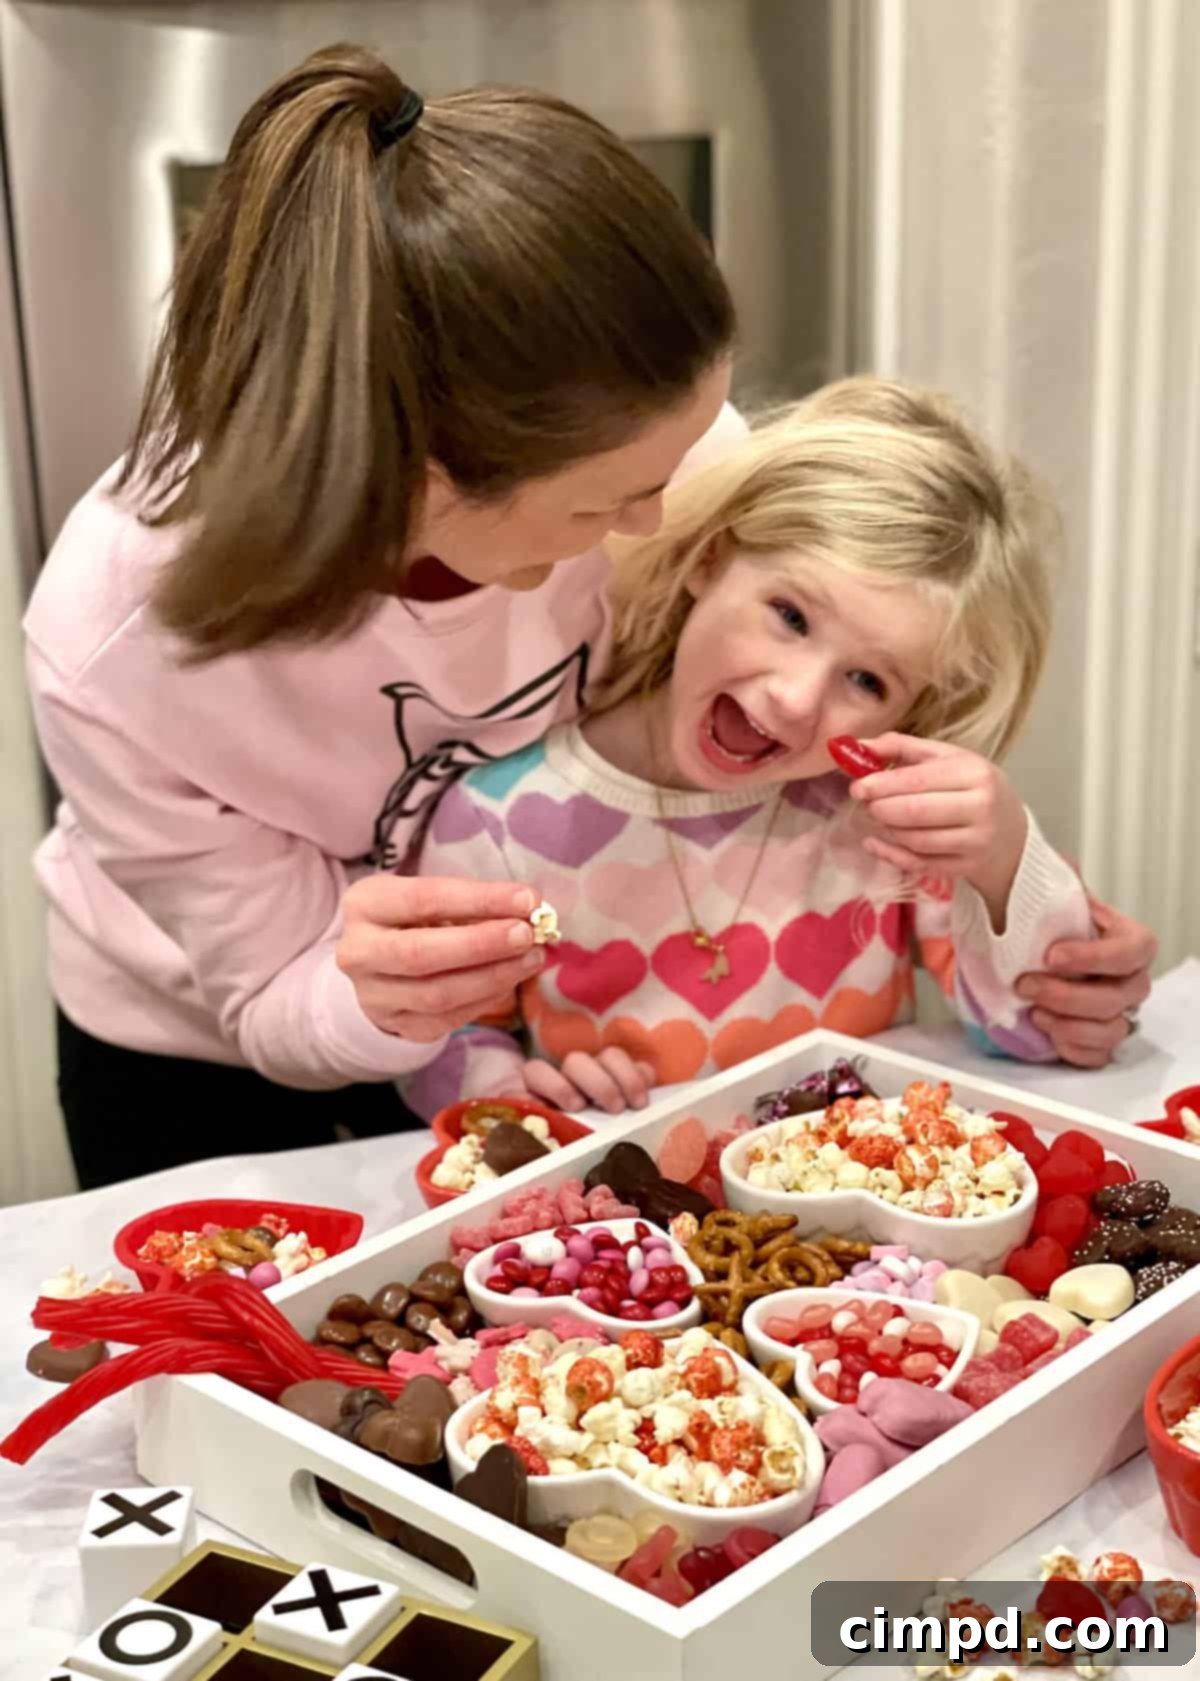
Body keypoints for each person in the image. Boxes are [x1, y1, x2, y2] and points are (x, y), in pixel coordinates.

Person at [23, 50, 1152, 1187]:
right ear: (424, 479)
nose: (664, 519)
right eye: (610, 501)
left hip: (506, 1038)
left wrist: (1046, 914)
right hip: (201, 1055)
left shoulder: (659, 458)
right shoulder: (116, 642)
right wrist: (431, 1036)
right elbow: (276, 992)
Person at [402, 379, 1147, 1119]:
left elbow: (1027, 1034)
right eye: (790, 615)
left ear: (911, 709)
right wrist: (513, 1092)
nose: (796, 697)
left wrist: (1005, 857)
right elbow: (448, 1034)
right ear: (711, 559)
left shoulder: (887, 823)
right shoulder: (493, 821)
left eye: (866, 679)